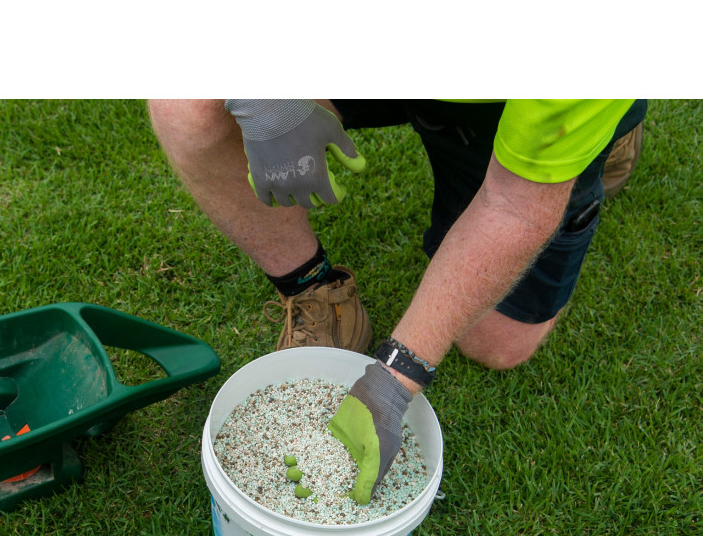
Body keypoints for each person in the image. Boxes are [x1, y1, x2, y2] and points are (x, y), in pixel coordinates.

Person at [148, 99, 647, 504]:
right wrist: (260, 96)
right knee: (188, 103)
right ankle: (313, 287)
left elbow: (515, 208)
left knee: (496, 341)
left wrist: (394, 380)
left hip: (516, 106)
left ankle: (605, 134)